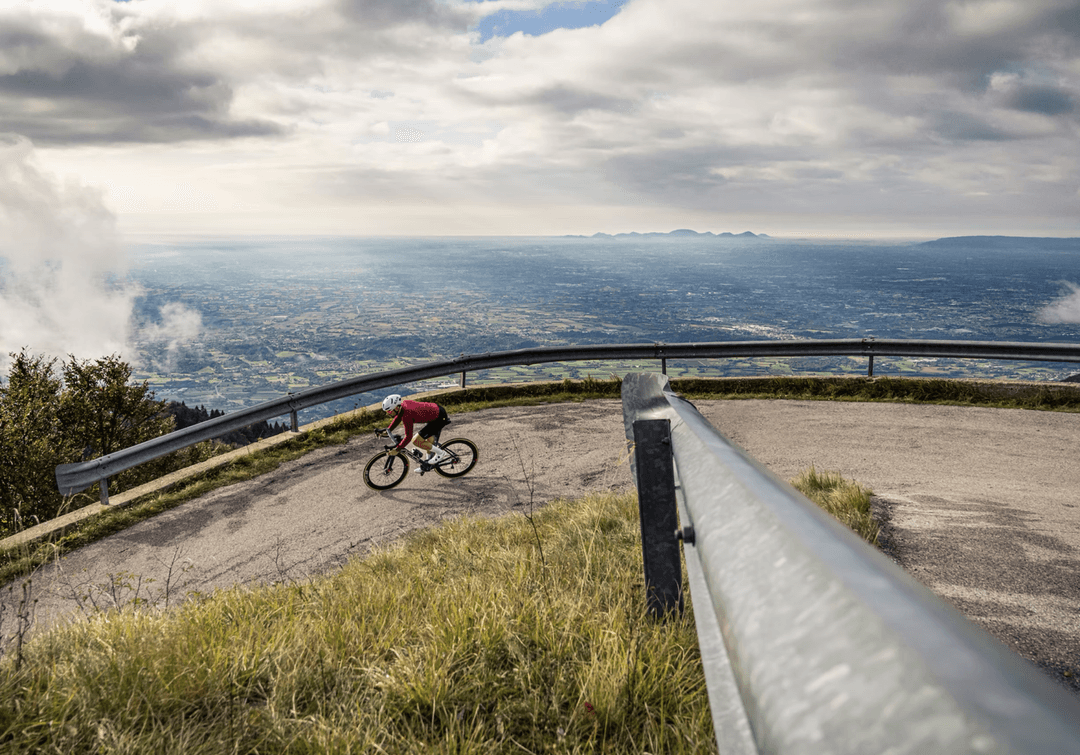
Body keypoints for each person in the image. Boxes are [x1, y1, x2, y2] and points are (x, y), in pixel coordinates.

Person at [381, 394, 451, 468]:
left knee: (416, 440)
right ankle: (428, 463)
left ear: (396, 407)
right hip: (436, 412)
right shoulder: (403, 405)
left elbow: (408, 436)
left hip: (439, 418)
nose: (388, 413)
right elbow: (398, 417)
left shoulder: (407, 414)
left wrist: (398, 449)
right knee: (428, 441)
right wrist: (388, 430)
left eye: (389, 411)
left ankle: (440, 453)